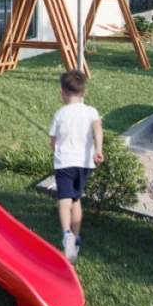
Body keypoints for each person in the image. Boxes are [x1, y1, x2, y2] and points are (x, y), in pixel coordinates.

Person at [48, 69, 103, 263]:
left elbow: (53, 141)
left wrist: (55, 148)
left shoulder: (60, 114)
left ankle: (67, 234)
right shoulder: (91, 112)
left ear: (62, 92)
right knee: (76, 199)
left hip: (64, 162)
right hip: (84, 163)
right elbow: (98, 130)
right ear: (84, 92)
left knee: (64, 200)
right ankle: (76, 237)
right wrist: (98, 150)